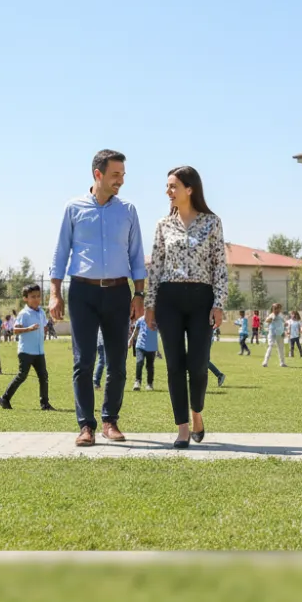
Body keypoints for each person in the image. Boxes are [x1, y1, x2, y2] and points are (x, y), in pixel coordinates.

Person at [49, 149, 146, 447]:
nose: (121, 181)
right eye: (116, 175)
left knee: (117, 362)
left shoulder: (128, 210)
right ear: (98, 174)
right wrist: (55, 293)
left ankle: (109, 421)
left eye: (123, 175)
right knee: (84, 361)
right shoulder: (73, 208)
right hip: (82, 292)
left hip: (118, 292)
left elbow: (137, 256)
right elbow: (61, 253)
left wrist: (139, 294)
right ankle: (85, 426)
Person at [144, 165, 227, 448]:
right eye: (168, 187)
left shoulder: (212, 223)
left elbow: (219, 266)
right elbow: (155, 267)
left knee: (199, 365)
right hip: (169, 299)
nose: (168, 191)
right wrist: (150, 305)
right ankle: (181, 428)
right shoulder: (162, 225)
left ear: (189, 189)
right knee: (175, 365)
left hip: (202, 299)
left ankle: (197, 413)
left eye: (172, 186)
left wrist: (219, 304)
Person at [0, 283, 54, 411]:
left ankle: (45, 404)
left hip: (39, 351)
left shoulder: (41, 312)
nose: (36, 299)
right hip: (26, 351)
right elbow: (15, 330)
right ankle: (4, 398)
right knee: (22, 375)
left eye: (38, 296)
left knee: (43, 376)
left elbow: (44, 326)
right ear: (25, 298)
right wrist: (29, 329)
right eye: (33, 296)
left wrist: (45, 330)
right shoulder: (24, 313)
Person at [129, 313, 158, 391]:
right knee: (140, 362)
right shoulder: (141, 319)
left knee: (150, 366)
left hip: (151, 347)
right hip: (140, 345)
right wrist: (131, 340)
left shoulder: (156, 320)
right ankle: (137, 382)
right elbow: (136, 330)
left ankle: (149, 384)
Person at [262, 303, 287, 368]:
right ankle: (265, 362)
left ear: (280, 309)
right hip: (272, 334)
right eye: (275, 309)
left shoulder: (281, 315)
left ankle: (282, 363)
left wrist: (284, 329)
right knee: (270, 346)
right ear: (273, 309)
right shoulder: (272, 315)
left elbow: (284, 323)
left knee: (281, 348)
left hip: (280, 334)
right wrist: (270, 319)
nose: (277, 310)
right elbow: (267, 320)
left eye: (278, 308)